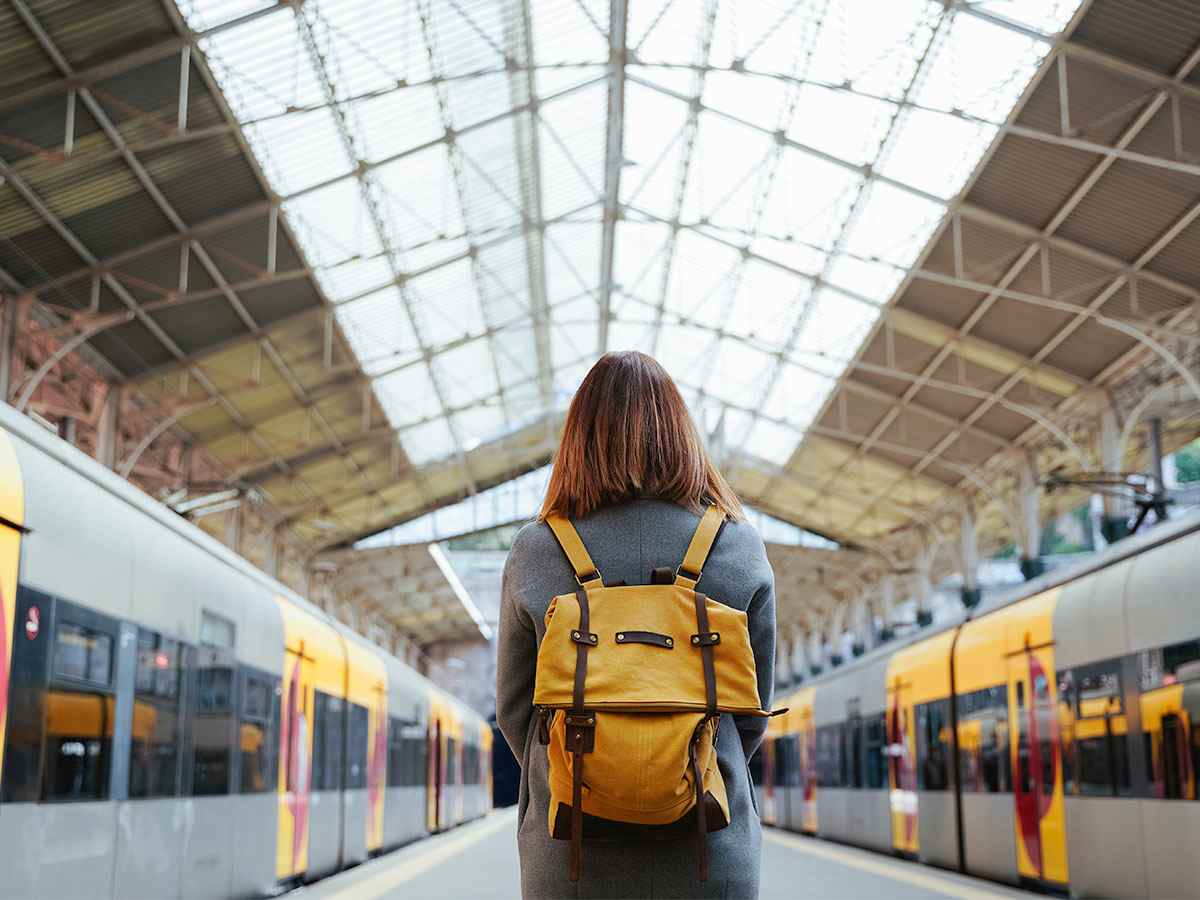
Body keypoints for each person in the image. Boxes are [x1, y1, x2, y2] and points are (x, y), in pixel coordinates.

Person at [497, 351, 777, 899]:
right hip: (709, 844)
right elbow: (753, 710)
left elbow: (515, 711)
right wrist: (678, 766)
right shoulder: (737, 546)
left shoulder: (537, 549)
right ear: (680, 433)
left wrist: (600, 773)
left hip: (570, 853)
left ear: (579, 437)